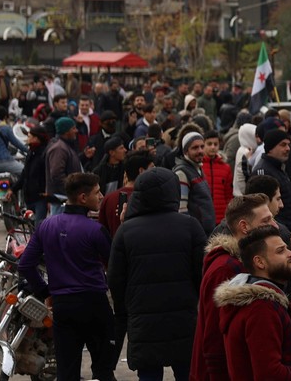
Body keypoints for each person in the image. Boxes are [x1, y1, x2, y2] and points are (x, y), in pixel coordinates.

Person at [109, 167, 207, 381]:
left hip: (143, 320)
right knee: (188, 372)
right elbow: (202, 272)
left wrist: (126, 309)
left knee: (149, 373)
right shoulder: (190, 226)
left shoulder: (126, 231)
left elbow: (116, 279)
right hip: (183, 317)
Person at [18, 172, 117, 381]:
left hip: (63, 307)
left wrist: (46, 292)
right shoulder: (95, 230)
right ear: (83, 198)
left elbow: (25, 264)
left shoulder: (46, 226)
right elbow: (115, 266)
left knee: (66, 372)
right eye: (97, 192)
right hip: (94, 305)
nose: (101, 196)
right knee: (103, 370)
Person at [215, 227, 291, 381]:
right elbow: (269, 375)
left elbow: (263, 363)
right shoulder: (261, 308)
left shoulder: (260, 299)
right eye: (281, 251)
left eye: (287, 248)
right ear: (260, 262)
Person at [190, 194, 277, 381]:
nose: (275, 226)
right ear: (244, 226)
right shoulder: (226, 269)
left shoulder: (245, 263)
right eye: (266, 221)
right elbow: (214, 335)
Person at [98, 150, 153, 238]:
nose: (155, 172)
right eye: (152, 168)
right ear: (141, 171)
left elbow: (102, 231)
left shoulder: (109, 198)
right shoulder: (150, 197)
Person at [251, 129, 291, 230]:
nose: (288, 148)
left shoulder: (279, 168)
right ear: (270, 148)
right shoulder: (263, 171)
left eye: (288, 144)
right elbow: (261, 207)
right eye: (283, 145)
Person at [173, 132, 216, 235]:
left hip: (206, 233)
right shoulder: (182, 173)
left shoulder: (197, 168)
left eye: (202, 146)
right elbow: (182, 210)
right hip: (196, 234)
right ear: (186, 151)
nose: (200, 151)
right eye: (195, 148)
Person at [46, 116, 84, 214]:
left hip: (66, 198)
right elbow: (57, 174)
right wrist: (72, 190)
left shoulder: (65, 146)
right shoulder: (59, 148)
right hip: (62, 200)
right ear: (66, 131)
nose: (76, 131)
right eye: (73, 128)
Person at [201, 131, 234, 222]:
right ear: (203, 145)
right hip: (203, 217)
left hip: (221, 217)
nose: (213, 147)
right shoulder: (199, 166)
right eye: (209, 144)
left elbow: (229, 195)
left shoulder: (225, 167)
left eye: (215, 144)